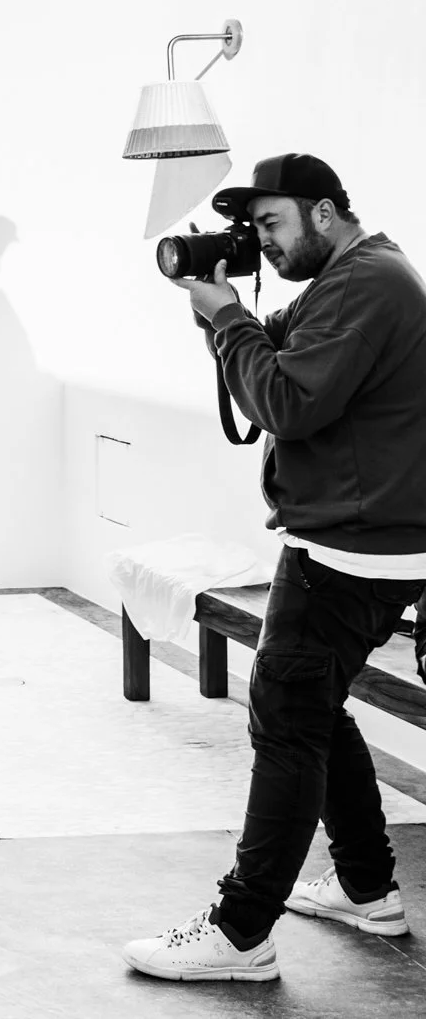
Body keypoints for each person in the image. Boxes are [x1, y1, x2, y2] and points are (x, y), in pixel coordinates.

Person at [126, 154, 426, 982]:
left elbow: (286, 401)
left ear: (323, 213)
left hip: (348, 552)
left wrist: (229, 322)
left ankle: (241, 930)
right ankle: (368, 890)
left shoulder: (370, 286)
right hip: (359, 540)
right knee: (314, 710)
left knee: (287, 721)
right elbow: (278, 342)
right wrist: (220, 305)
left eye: (271, 226)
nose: (264, 242)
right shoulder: (358, 277)